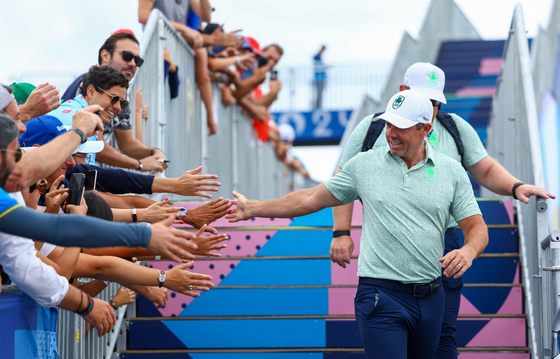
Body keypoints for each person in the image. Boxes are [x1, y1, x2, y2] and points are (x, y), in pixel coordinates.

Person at [226, 89, 489, 359]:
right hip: (381, 297)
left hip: (433, 298)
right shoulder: (364, 165)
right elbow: (309, 198)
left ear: (426, 129)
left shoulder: (451, 171)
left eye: (401, 127)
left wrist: (468, 251)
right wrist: (254, 208)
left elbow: (477, 228)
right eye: (388, 124)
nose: (390, 133)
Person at [330, 62, 556, 358]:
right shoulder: (375, 128)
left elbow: (484, 169)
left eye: (434, 102)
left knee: (443, 333)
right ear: (402, 92)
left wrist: (516, 187)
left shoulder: (454, 127)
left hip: (444, 242)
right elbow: (343, 180)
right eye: (422, 99)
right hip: (388, 244)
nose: (430, 108)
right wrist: (342, 232)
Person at [62, 32, 168, 172]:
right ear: (105, 56)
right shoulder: (89, 85)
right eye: (127, 56)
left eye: (137, 60)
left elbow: (127, 143)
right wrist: (139, 164)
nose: (132, 63)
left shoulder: (121, 96)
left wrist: (154, 152)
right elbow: (96, 145)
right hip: (68, 172)